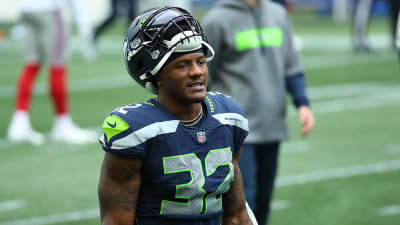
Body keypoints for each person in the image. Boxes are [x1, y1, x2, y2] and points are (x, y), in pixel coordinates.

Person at [98, 7, 257, 225]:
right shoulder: (137, 131)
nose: (197, 72)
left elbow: (236, 214)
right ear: (156, 75)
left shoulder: (228, 117)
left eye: (201, 61)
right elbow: (116, 221)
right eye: (182, 65)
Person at [202, 0, 315, 225]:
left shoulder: (278, 14)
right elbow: (204, 74)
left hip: (273, 125)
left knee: (262, 204)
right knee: (243, 205)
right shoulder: (216, 20)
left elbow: (292, 67)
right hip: (236, 132)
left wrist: (302, 103)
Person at [7, 0, 98, 145]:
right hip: (49, 9)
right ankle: (62, 123)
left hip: (26, 9)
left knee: (31, 65)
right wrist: (82, 20)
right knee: (57, 67)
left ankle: (19, 123)